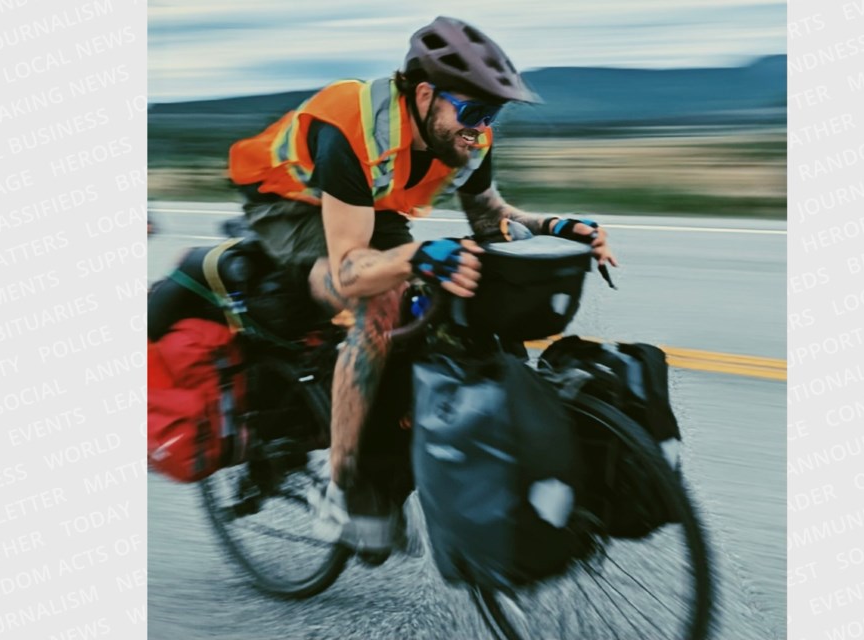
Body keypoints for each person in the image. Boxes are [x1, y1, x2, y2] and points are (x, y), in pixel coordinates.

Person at [227, 16, 617, 552]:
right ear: (427, 93)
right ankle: (345, 482)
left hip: (366, 202)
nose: (481, 128)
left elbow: (490, 219)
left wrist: (556, 226)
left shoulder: (464, 134)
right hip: (289, 202)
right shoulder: (351, 127)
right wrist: (415, 255)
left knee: (454, 281)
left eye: (492, 115)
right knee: (380, 302)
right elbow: (347, 270)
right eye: (474, 112)